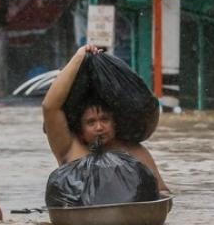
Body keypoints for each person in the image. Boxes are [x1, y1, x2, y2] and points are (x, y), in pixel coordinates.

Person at [42, 44, 170, 195]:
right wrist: (79, 57)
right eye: (91, 122)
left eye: (104, 119)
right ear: (80, 129)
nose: (99, 127)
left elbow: (162, 192)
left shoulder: (134, 151)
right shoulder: (69, 147)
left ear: (115, 122)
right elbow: (50, 107)